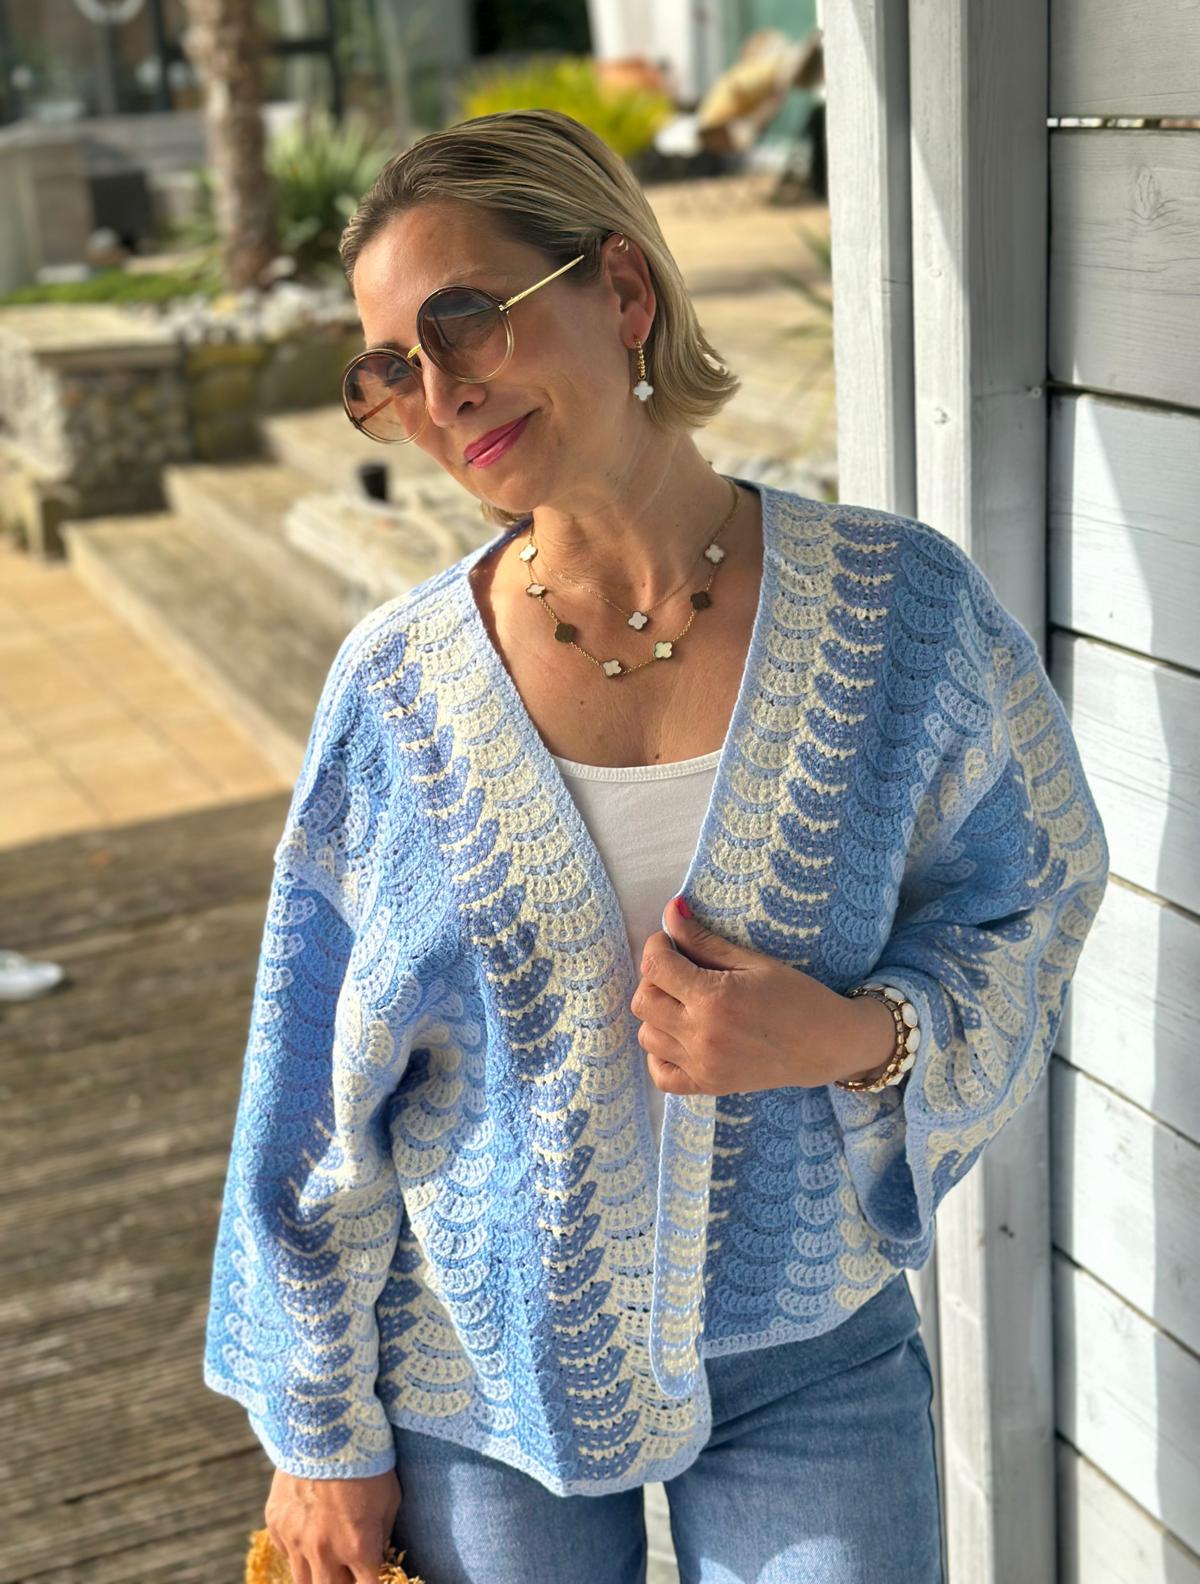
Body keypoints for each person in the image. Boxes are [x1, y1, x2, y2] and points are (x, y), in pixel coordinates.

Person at [202, 109, 1109, 1584]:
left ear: (621, 290)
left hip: (813, 1350)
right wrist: (317, 1432)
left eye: (463, 321)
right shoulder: (399, 693)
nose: (439, 392)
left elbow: (1035, 891)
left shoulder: (900, 612)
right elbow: (311, 1090)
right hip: (474, 1379)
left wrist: (853, 1036)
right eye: (390, 370)